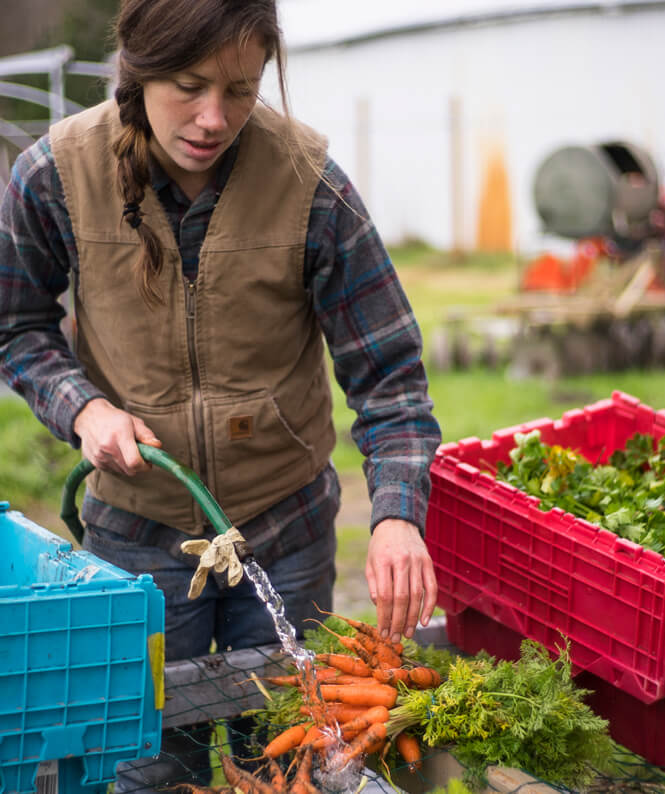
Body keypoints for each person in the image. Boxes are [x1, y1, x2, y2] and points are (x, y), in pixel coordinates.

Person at [0, 0, 441, 789]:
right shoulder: (56, 173)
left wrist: (398, 515)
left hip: (287, 532)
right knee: (143, 766)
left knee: (289, 761)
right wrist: (83, 407)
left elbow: (391, 378)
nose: (214, 118)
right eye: (189, 85)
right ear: (138, 69)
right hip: (137, 540)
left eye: (241, 89)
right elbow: (15, 326)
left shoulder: (311, 186)